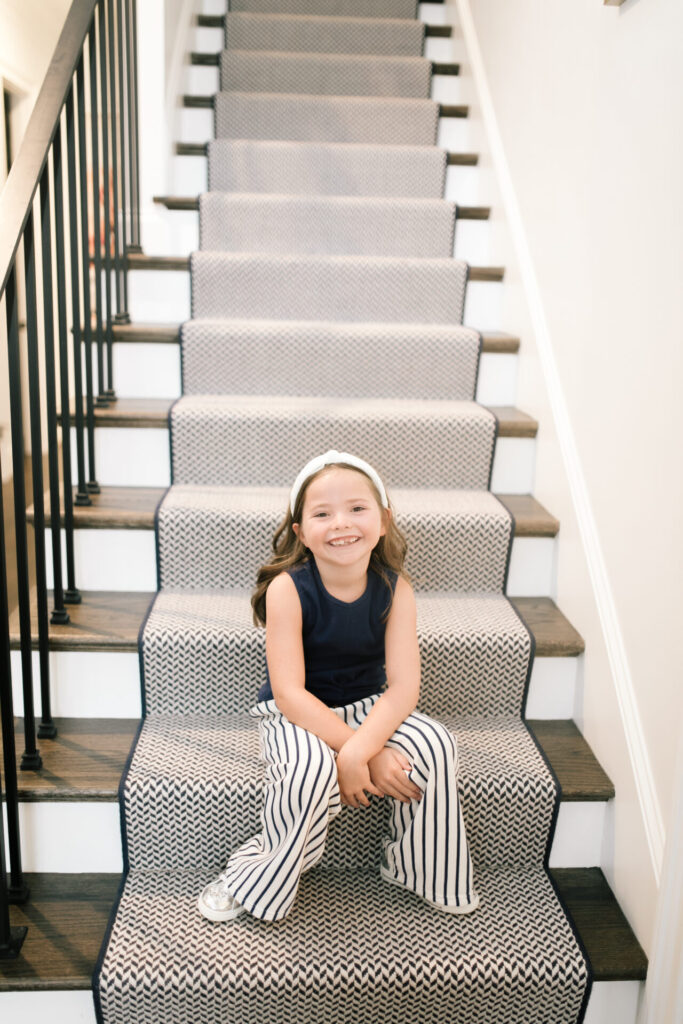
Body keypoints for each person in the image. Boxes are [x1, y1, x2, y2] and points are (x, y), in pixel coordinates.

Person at [197, 450, 479, 922]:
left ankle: (420, 866)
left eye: (356, 509)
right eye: (322, 514)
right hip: (299, 714)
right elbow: (289, 694)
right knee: (309, 774)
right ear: (300, 532)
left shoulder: (395, 589)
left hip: (368, 706)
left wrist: (357, 751)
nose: (340, 523)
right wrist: (360, 752)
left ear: (384, 520)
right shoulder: (289, 589)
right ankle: (256, 873)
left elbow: (404, 689)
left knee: (435, 743)